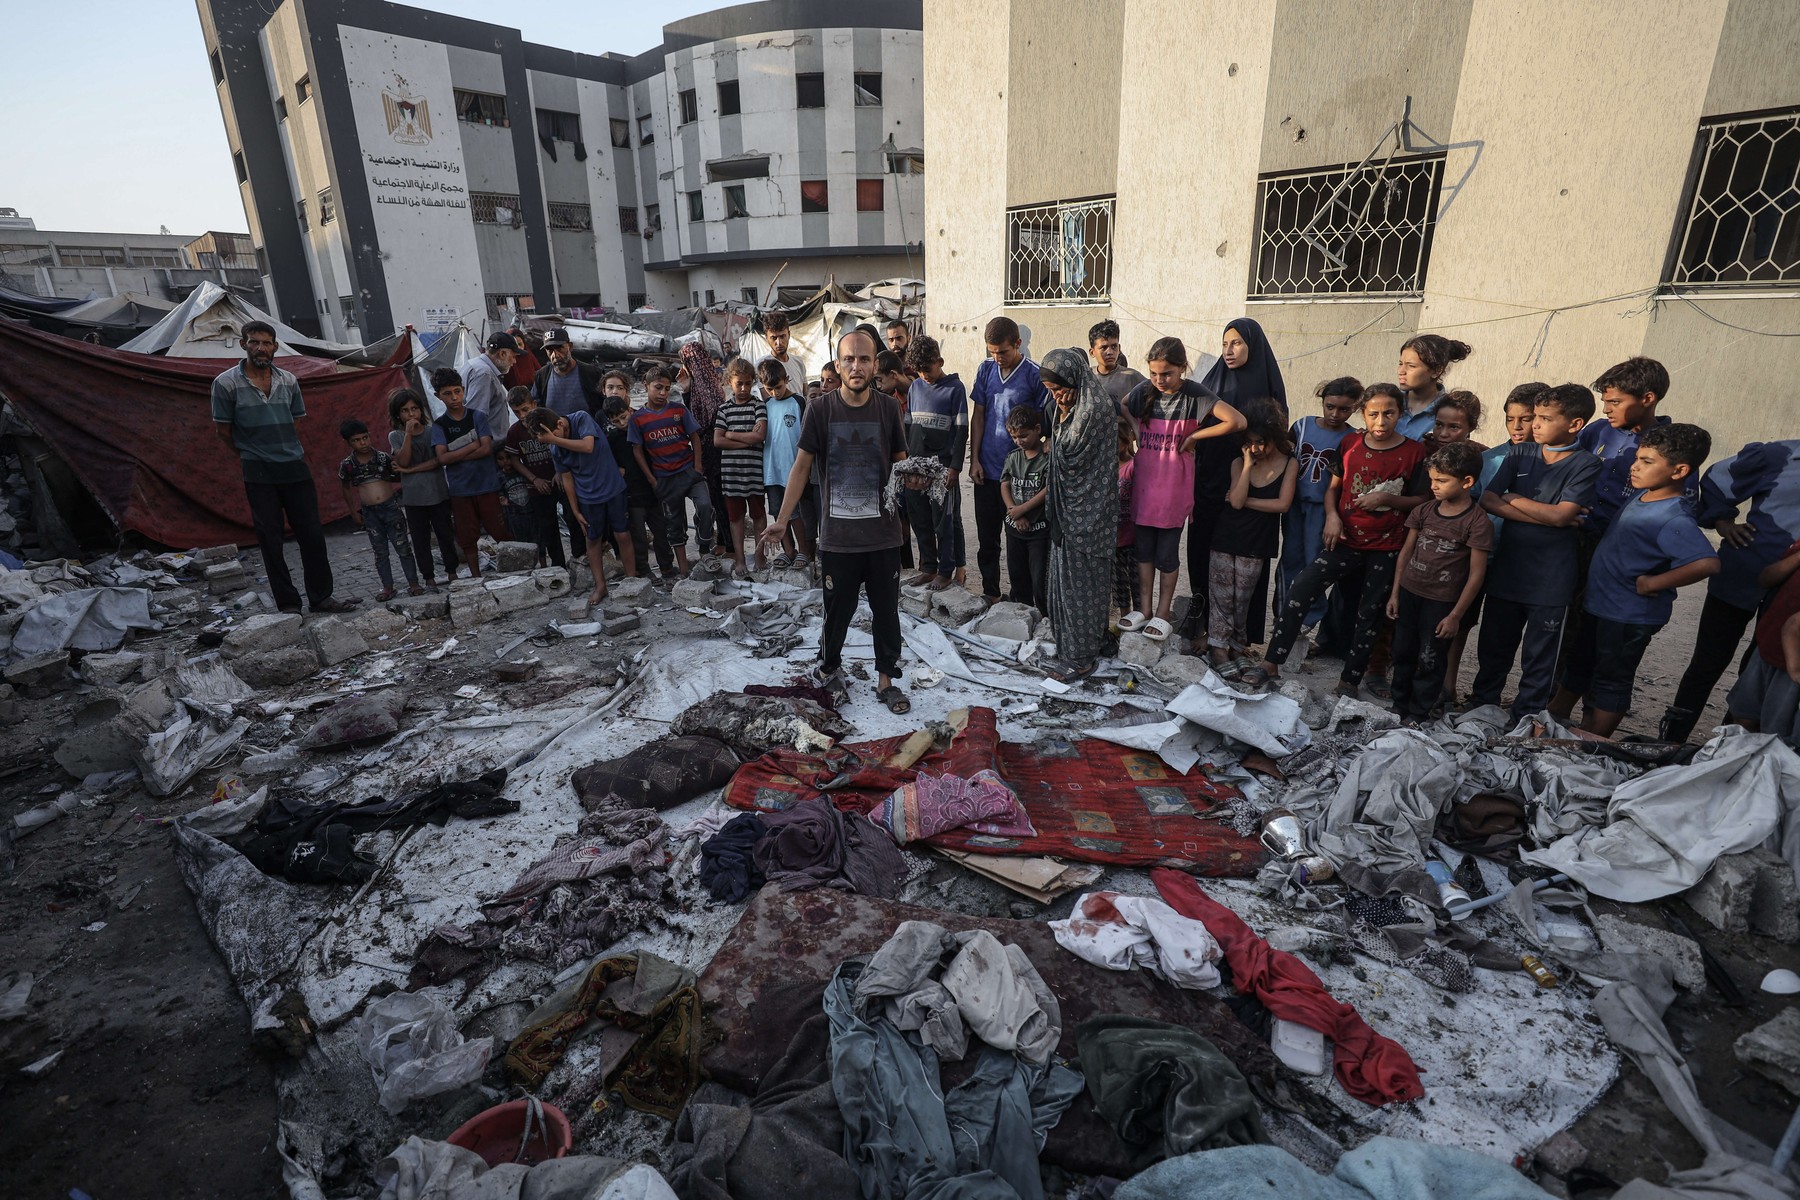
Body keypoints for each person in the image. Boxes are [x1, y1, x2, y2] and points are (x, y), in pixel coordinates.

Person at [760, 328, 910, 713]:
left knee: (886, 612)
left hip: (883, 536)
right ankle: (828, 668)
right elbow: (800, 467)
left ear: (876, 364)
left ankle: (886, 680)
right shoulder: (820, 410)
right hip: (838, 537)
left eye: (864, 359)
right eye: (849, 359)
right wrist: (782, 518)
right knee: (836, 611)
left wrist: (918, 478)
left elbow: (900, 465)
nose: (856, 366)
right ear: (838, 364)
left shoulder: (889, 409)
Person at [1257, 384, 1430, 694]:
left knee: (1369, 614)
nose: (1380, 422)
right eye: (1373, 414)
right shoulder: (1350, 443)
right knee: (1302, 585)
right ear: (1363, 414)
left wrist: (1384, 499)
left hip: (1386, 547)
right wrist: (1333, 517)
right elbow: (1334, 488)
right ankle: (1271, 663)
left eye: (1388, 414)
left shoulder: (1414, 452)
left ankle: (1348, 682)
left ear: (1400, 414)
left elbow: (1421, 499)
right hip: (1346, 540)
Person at [1550, 424, 1718, 736]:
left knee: (1611, 679)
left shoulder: (1673, 517)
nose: (1635, 466)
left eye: (1647, 462)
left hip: (1628, 616)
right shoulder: (1645, 496)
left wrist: (1654, 583)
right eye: (1637, 458)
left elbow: (1706, 562)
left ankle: (1593, 740)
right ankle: (1556, 714)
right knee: (1580, 663)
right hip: (1601, 605)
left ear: (1679, 470)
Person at [1469, 383, 1601, 719]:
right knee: (1494, 646)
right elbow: (1488, 499)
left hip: (1551, 578)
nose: (1534, 425)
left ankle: (1525, 717)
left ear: (1575, 424)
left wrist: (1514, 500)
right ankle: (1481, 708)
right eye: (1535, 417)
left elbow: (1563, 516)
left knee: (1539, 655)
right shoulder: (1520, 454)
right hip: (1509, 570)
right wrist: (1549, 516)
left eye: (1544, 418)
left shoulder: (1586, 464)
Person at [210, 321, 355, 613]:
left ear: (276, 346)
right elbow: (223, 432)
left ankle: (321, 597)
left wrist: (281, 448)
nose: (260, 348)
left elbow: (295, 422)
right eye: (254, 342)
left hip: (293, 465)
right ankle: (288, 604)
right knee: (271, 540)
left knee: (312, 535)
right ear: (243, 345)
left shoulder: (289, 380)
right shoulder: (225, 383)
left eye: (266, 343)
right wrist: (252, 453)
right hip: (257, 470)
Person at [1662, 438, 1800, 741]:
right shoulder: (1778, 455)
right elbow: (1716, 482)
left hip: (1791, 595)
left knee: (1756, 670)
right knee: (1707, 663)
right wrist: (1725, 525)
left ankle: (1727, 750)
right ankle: (1671, 741)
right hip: (1744, 572)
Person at [1118, 337, 1246, 642]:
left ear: (1182, 368)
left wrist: (1195, 437)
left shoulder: (1194, 394)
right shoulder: (1144, 391)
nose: (1160, 380)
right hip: (1145, 484)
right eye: (1154, 374)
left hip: (1174, 490)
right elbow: (1124, 406)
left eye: (1168, 374)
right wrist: (1136, 430)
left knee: (1167, 554)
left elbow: (1237, 421)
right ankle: (1145, 610)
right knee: (1144, 552)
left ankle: (1163, 613)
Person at [1194, 318, 1288, 646]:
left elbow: (1277, 433)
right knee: (1209, 556)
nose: (1228, 351)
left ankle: (1239, 637)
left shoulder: (1268, 383)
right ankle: (1204, 626)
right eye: (1224, 344)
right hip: (1212, 482)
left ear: (1253, 344)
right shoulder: (1214, 380)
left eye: (1236, 343)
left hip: (1254, 480)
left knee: (1246, 567)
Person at [1385, 441, 1491, 720]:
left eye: (1442, 481)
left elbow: (1477, 573)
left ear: (1467, 481)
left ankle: (1420, 713)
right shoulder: (1424, 511)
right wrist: (1395, 593)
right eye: (1432, 479)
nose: (1434, 486)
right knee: (1403, 652)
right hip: (1409, 592)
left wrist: (1456, 615)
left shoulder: (1477, 522)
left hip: (1441, 602)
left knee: (1430, 659)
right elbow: (1406, 552)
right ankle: (1399, 706)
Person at [1034, 347, 1121, 681]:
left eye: (1060, 389)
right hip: (1068, 512)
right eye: (1052, 392)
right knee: (1066, 584)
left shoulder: (1094, 410)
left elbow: (1076, 459)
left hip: (1089, 514)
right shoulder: (1067, 407)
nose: (1057, 397)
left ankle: (1081, 658)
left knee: (1082, 584)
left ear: (1075, 379)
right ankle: (1080, 644)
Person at [1208, 399, 1296, 682]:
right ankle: (1218, 649)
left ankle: (1237, 646)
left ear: (1274, 437)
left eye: (1261, 442)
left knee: (1242, 598)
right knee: (1221, 597)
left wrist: (1249, 501)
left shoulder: (1289, 464)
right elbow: (1235, 502)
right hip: (1226, 535)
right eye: (1250, 442)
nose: (1256, 448)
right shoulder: (1238, 462)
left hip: (1256, 542)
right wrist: (1246, 465)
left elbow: (1282, 505)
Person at [969, 317, 1049, 604]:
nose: (997, 357)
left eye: (1002, 351)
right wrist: (974, 458)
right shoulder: (985, 369)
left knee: (1021, 539)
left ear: (1018, 344)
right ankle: (990, 591)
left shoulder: (1034, 375)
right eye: (992, 351)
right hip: (987, 468)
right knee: (987, 539)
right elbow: (979, 415)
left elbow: (1045, 424)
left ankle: (1024, 600)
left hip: (1021, 476)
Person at [1577, 357, 1696, 541]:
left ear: (1647, 399)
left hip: (1624, 542)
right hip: (1577, 532)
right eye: (1605, 401)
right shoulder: (1597, 430)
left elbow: (1681, 506)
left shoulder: (1673, 446)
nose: (1606, 410)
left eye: (1615, 402)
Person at [527, 407, 635, 607]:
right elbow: (567, 479)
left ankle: (632, 580)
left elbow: (587, 446)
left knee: (622, 535)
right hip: (588, 498)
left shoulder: (581, 419)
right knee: (592, 540)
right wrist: (575, 510)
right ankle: (600, 586)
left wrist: (554, 440)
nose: (550, 440)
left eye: (551, 435)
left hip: (612, 488)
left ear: (559, 424)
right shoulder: (555, 448)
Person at [1282, 376, 1360, 627]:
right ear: (1322, 402)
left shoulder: (1352, 438)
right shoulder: (1302, 427)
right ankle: (1284, 615)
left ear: (1355, 408)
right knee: (1290, 558)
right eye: (1330, 406)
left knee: (1315, 562)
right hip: (1294, 505)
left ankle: (1308, 619)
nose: (1335, 414)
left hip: (1325, 510)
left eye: (1344, 409)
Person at [628, 364, 713, 576]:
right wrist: (652, 480)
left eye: (667, 388)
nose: (663, 393)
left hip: (688, 472)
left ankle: (704, 547)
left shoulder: (678, 410)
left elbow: (694, 436)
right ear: (645, 386)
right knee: (674, 526)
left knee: (705, 506)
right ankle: (684, 572)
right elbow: (637, 451)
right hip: (664, 478)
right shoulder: (638, 419)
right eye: (658, 387)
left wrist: (698, 466)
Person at [430, 366, 510, 577]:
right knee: (467, 536)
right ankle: (476, 577)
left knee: (499, 530)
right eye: (447, 393)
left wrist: (455, 454)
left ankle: (513, 572)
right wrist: (471, 446)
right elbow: (442, 458)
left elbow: (486, 449)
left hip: (487, 485)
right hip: (460, 489)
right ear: (438, 396)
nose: (454, 397)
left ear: (463, 390)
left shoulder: (477, 417)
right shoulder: (440, 426)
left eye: (457, 391)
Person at [902, 335, 967, 591]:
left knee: (945, 521)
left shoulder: (955, 388)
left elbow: (962, 431)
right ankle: (928, 567)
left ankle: (946, 570)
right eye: (918, 370)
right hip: (917, 467)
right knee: (920, 519)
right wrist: (907, 464)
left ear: (939, 361)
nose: (924, 375)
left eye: (927, 369)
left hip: (942, 468)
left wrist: (955, 467)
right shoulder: (915, 387)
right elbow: (908, 429)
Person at [337, 418, 422, 601]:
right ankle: (388, 587)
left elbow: (396, 477)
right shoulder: (348, 465)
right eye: (357, 440)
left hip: (390, 508)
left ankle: (413, 583)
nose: (363, 443)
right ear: (348, 443)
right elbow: (345, 487)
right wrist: (353, 512)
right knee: (380, 551)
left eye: (365, 437)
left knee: (403, 548)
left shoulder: (382, 458)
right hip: (370, 513)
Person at [1724, 540, 1800, 745]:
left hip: (1792, 660)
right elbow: (1766, 578)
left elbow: (1793, 626)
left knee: (1777, 737)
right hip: (1769, 644)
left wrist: (1795, 669)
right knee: (1744, 717)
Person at [389, 388, 459, 588]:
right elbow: (402, 459)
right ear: (398, 414)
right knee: (420, 540)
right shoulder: (395, 436)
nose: (411, 414)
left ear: (421, 410)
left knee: (445, 534)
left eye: (414, 409)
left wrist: (409, 470)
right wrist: (408, 435)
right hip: (413, 498)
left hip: (438, 493)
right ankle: (428, 577)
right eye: (405, 411)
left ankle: (452, 571)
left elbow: (438, 460)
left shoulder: (433, 431)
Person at [605, 395, 674, 581]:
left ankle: (667, 568)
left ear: (629, 410)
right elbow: (609, 464)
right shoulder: (612, 439)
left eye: (623, 416)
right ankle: (644, 570)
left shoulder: (644, 427)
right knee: (639, 538)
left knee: (661, 532)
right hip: (632, 495)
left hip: (653, 490)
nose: (622, 422)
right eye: (616, 421)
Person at [758, 357, 815, 572]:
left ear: (787, 379)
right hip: (771, 470)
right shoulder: (765, 405)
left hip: (794, 470)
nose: (775, 392)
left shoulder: (799, 402)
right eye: (769, 389)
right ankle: (788, 550)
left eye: (779, 387)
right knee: (777, 512)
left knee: (796, 513)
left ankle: (803, 550)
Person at [499, 387, 567, 569]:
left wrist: (560, 471)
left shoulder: (547, 422)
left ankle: (579, 557)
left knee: (573, 519)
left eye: (525, 410)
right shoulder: (514, 432)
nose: (521, 415)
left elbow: (561, 445)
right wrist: (534, 479)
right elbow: (514, 459)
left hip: (560, 479)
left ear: (534, 405)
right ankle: (559, 566)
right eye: (516, 412)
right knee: (548, 528)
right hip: (538, 486)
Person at [680, 342, 733, 564]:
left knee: (719, 499)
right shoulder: (702, 382)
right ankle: (723, 540)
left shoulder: (709, 385)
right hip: (710, 449)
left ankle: (727, 544)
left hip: (714, 450)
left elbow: (705, 417)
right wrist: (686, 389)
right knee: (716, 499)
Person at [714, 358, 768, 576]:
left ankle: (759, 555)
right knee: (735, 518)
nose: (744, 388)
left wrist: (732, 434)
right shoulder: (724, 409)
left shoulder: (758, 405)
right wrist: (749, 439)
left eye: (747, 383)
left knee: (758, 516)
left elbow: (760, 435)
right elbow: (717, 441)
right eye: (739, 384)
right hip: (732, 474)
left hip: (754, 473)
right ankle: (739, 559)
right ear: (729, 382)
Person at [1000, 406, 1051, 611]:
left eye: (1023, 436)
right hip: (1015, 529)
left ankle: (1044, 618)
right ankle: (1022, 614)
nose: (1019, 441)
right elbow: (1005, 484)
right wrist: (1013, 509)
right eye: (1014, 437)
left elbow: (1049, 489)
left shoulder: (1047, 458)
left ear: (1037, 429)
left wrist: (1023, 510)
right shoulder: (1013, 457)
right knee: (1017, 575)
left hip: (1039, 530)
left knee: (1039, 579)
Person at [1395, 334, 1472, 440]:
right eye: (1400, 364)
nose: (1401, 371)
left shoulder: (1449, 411)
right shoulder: (1389, 401)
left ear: (1436, 371)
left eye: (1411, 366)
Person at [532, 329, 605, 421]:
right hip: (554, 434)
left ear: (570, 346)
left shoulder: (592, 373)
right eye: (549, 350)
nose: (555, 355)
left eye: (559, 348)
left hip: (587, 434)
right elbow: (534, 408)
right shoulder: (541, 376)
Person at [1113, 415, 1141, 623]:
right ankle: (1124, 622)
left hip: (1133, 538)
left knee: (1137, 583)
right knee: (1119, 585)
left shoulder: (1133, 467)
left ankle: (1140, 619)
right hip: (1113, 539)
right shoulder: (1105, 469)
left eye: (1117, 443)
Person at [463, 332, 518, 437]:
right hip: (488, 446)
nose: (514, 362)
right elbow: (476, 416)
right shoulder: (483, 373)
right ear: (502, 354)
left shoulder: (476, 365)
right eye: (513, 356)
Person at [1088, 319, 1145, 411]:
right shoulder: (1086, 377)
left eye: (1114, 346)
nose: (1110, 352)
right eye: (1104, 347)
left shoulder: (1132, 377)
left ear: (1119, 348)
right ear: (1092, 352)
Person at [761, 310, 808, 397]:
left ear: (789, 334)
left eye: (782, 336)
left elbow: (805, 394)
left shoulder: (798, 362)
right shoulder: (762, 366)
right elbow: (767, 400)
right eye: (774, 338)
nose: (779, 343)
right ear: (766, 338)